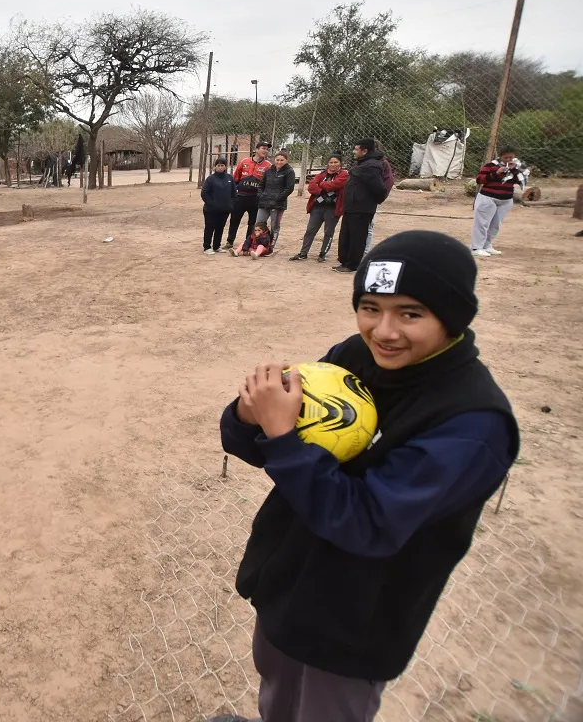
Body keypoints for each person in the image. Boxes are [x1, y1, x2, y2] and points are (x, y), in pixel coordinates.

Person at [211, 230, 518, 722]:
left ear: (454, 316)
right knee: (275, 690)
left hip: (354, 621)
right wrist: (249, 417)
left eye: (410, 313)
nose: (384, 331)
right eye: (370, 307)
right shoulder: (356, 356)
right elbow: (264, 441)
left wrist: (283, 437)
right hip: (291, 580)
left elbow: (370, 525)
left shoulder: (472, 424)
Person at [333, 139, 388, 274]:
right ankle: (345, 261)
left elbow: (379, 189)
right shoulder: (362, 163)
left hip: (361, 208)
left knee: (357, 237)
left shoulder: (372, 166)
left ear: (364, 151)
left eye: (356, 149)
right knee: (347, 234)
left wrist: (370, 201)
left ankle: (353, 264)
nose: (354, 152)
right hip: (351, 206)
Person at [471, 145, 528, 257]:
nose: (508, 160)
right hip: (488, 198)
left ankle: (487, 245)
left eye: (510, 157)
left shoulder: (517, 167)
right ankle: (476, 247)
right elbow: (479, 179)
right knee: (482, 223)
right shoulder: (491, 166)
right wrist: (496, 173)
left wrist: (514, 170)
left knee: (495, 224)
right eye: (505, 158)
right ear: (500, 156)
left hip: (505, 200)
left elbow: (520, 181)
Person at [290, 155, 349, 262]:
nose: (333, 165)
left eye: (336, 162)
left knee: (328, 232)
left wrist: (321, 184)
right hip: (317, 207)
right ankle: (303, 253)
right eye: (331, 162)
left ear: (340, 163)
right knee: (310, 230)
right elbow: (311, 186)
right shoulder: (322, 174)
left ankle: (323, 253)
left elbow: (336, 184)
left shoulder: (344, 175)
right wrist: (322, 189)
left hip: (333, 208)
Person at [227, 142, 271, 250]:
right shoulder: (244, 162)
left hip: (255, 198)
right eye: (263, 148)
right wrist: (234, 194)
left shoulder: (268, 165)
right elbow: (235, 179)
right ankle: (230, 241)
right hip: (241, 197)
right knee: (234, 220)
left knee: (252, 223)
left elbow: (268, 183)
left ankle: (247, 244)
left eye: (267, 149)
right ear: (256, 149)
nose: (265, 150)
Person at [255, 152, 295, 249]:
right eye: (277, 160)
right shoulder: (269, 171)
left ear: (286, 160)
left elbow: (289, 188)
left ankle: (270, 246)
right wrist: (260, 195)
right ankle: (258, 243)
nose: (279, 162)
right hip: (264, 202)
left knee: (274, 226)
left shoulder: (289, 171)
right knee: (259, 224)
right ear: (274, 160)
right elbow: (261, 185)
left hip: (278, 204)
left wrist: (278, 198)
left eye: (282, 160)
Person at [201, 157, 235, 254]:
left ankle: (216, 246)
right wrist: (212, 204)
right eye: (218, 165)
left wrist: (231, 204)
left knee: (220, 228)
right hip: (211, 210)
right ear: (215, 167)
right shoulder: (210, 179)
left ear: (225, 167)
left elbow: (234, 193)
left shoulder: (229, 178)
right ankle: (207, 247)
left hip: (225, 209)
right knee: (210, 227)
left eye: (222, 165)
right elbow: (204, 193)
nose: (220, 167)